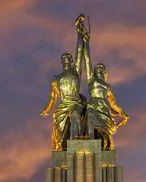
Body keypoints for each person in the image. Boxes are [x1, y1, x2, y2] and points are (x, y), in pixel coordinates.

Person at [39, 14, 87, 151]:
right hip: (63, 105)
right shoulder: (57, 78)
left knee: (77, 115)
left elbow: (79, 51)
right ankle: (63, 147)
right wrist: (47, 109)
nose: (67, 58)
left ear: (71, 61)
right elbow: (53, 97)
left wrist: (79, 32)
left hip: (75, 103)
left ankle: (77, 140)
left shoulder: (75, 72)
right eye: (64, 57)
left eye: (68, 57)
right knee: (60, 133)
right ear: (61, 61)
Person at [81, 28, 128, 150]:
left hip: (104, 108)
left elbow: (113, 103)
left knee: (105, 134)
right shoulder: (91, 80)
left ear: (104, 72)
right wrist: (86, 43)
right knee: (90, 114)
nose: (99, 69)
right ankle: (90, 139)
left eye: (101, 68)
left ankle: (104, 147)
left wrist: (121, 112)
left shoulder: (107, 87)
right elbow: (87, 61)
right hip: (93, 104)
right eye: (97, 68)